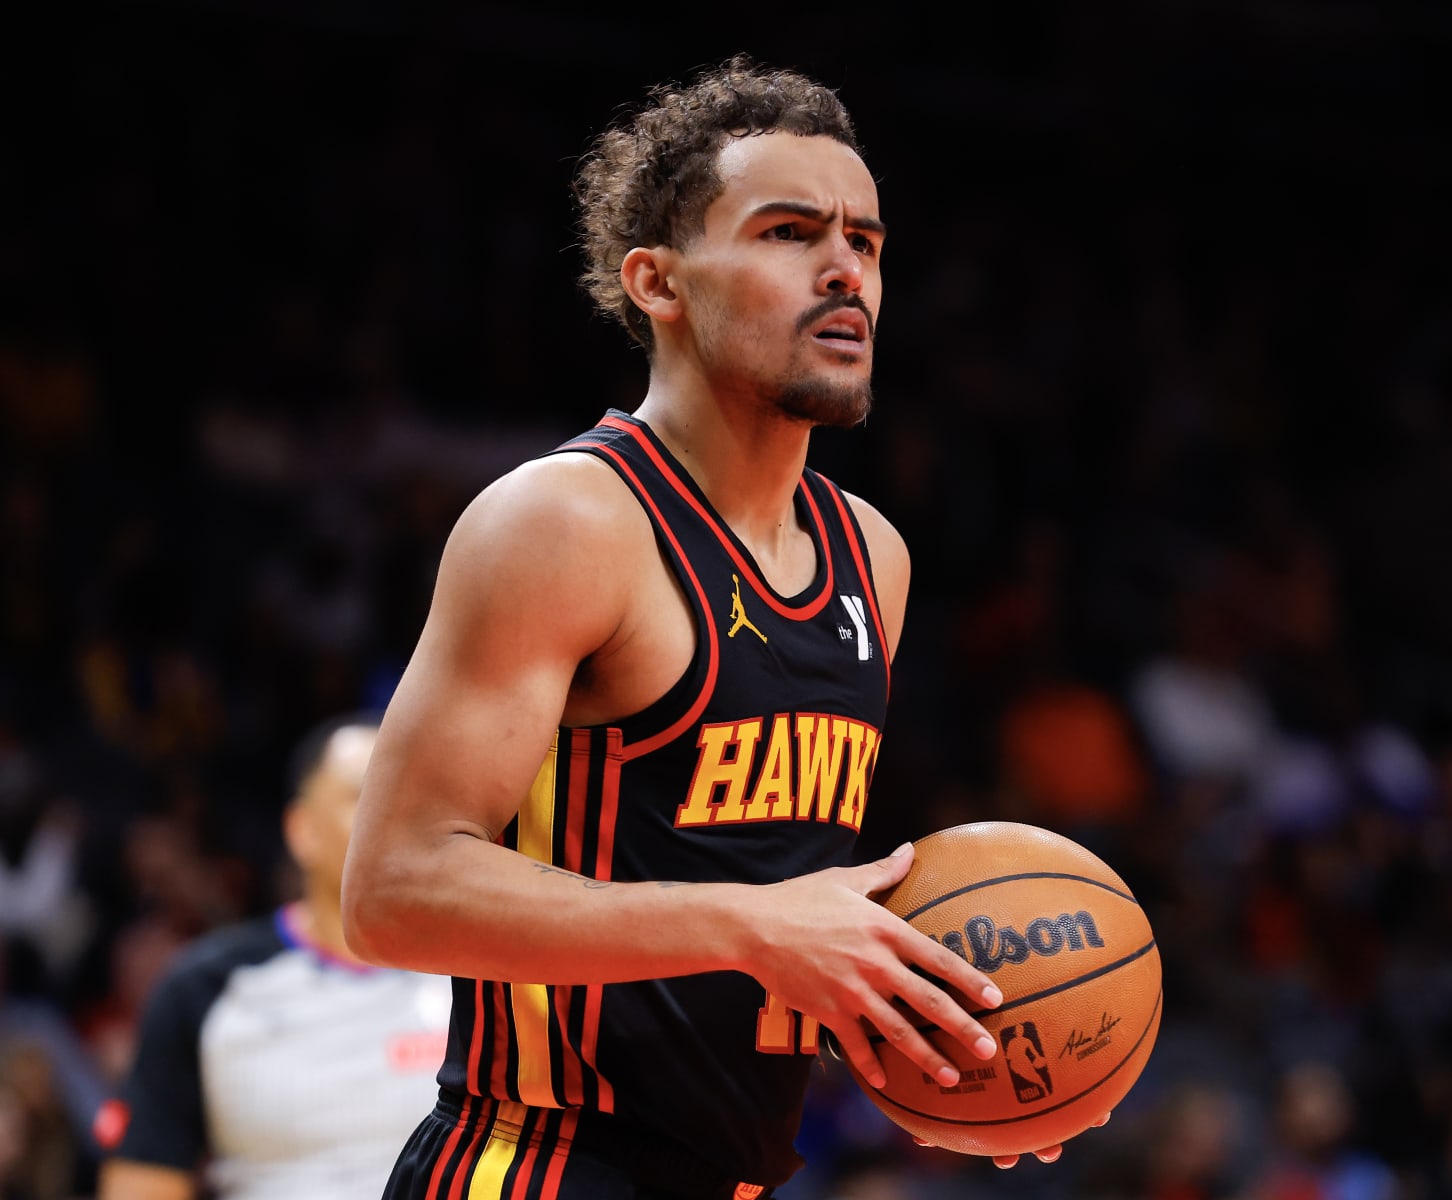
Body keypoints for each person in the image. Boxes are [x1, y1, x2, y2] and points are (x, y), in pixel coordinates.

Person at [341, 55, 1098, 1200]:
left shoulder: (870, 555)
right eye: (790, 232)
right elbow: (392, 891)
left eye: (868, 242)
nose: (845, 269)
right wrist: (758, 928)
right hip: (537, 1165)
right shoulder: (566, 520)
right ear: (658, 282)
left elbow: (755, 902)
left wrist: (940, 1046)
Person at [94, 711, 451, 1199]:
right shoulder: (205, 988)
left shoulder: (487, 977)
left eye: (413, 793)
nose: (396, 812)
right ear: (301, 830)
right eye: (363, 794)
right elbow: (141, 1184)